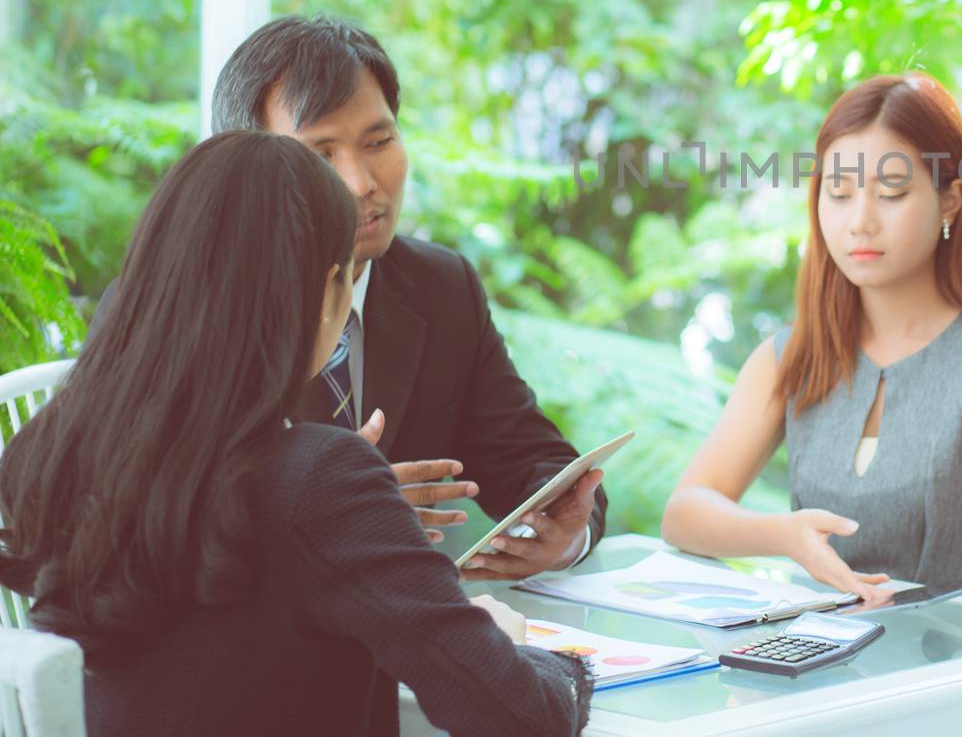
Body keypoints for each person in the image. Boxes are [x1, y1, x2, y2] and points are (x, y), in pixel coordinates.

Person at [0, 131, 590, 736]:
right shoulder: (317, 480)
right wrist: (524, 650)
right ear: (331, 290)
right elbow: (521, 716)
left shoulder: (56, 452)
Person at [662, 73, 962, 609]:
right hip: (811, 662)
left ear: (950, 201)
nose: (860, 223)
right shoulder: (792, 355)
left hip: (959, 665)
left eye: (892, 193)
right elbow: (685, 512)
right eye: (840, 193)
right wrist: (779, 535)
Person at [207, 16, 603, 578]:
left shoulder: (441, 289)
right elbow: (139, 518)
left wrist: (563, 534)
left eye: (379, 141)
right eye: (321, 155)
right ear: (248, 166)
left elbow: (531, 460)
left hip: (403, 638)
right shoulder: (185, 301)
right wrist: (320, 511)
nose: (362, 183)